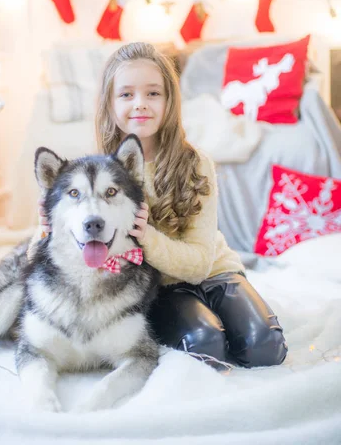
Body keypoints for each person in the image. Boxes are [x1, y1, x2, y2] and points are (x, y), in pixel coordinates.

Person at [39, 42, 287, 369]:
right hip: (160, 288)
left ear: (169, 101)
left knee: (265, 346)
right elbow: (59, 229)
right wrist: (43, 233)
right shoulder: (95, 169)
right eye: (126, 94)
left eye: (153, 93)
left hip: (214, 271)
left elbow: (200, 263)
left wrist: (146, 237)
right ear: (109, 104)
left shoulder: (196, 163)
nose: (140, 104)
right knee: (206, 344)